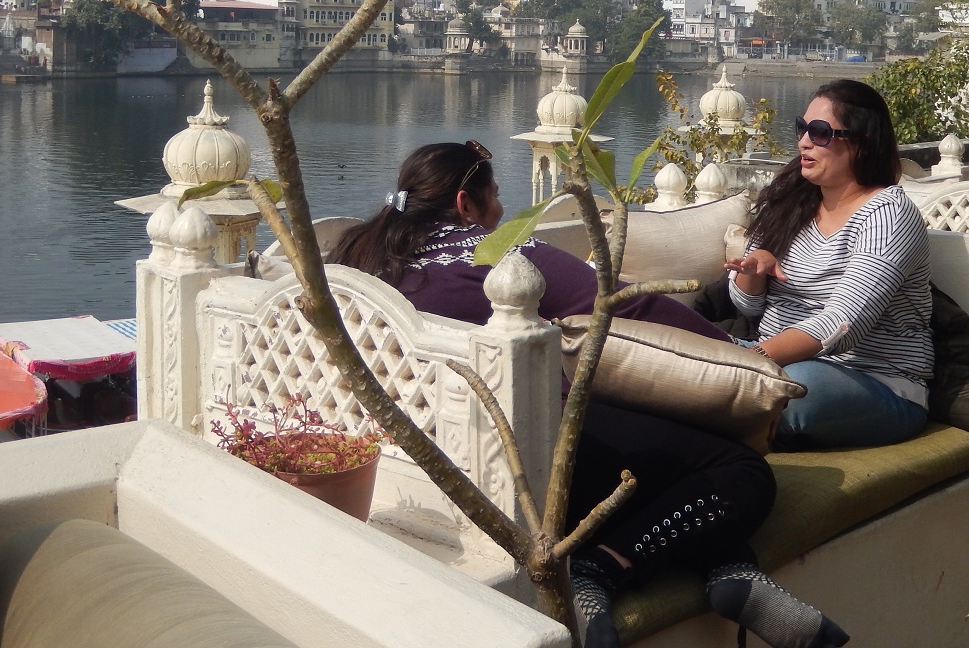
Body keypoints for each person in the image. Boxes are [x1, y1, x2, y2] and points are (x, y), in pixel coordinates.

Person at [332, 142, 848, 648]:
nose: (502, 211)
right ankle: (602, 568)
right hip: (522, 456)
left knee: (659, 454)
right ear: (466, 205)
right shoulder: (495, 254)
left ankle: (731, 573)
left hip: (404, 453)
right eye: (494, 198)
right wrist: (741, 359)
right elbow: (625, 306)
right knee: (740, 472)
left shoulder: (357, 256)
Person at [725, 79, 932, 451]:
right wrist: (753, 275)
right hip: (771, 357)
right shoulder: (791, 201)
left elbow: (842, 325)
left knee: (788, 389)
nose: (804, 141)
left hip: (875, 379)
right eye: (801, 128)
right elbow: (746, 306)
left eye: (820, 132)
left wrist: (745, 360)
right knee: (659, 339)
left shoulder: (888, 214)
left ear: (863, 141)